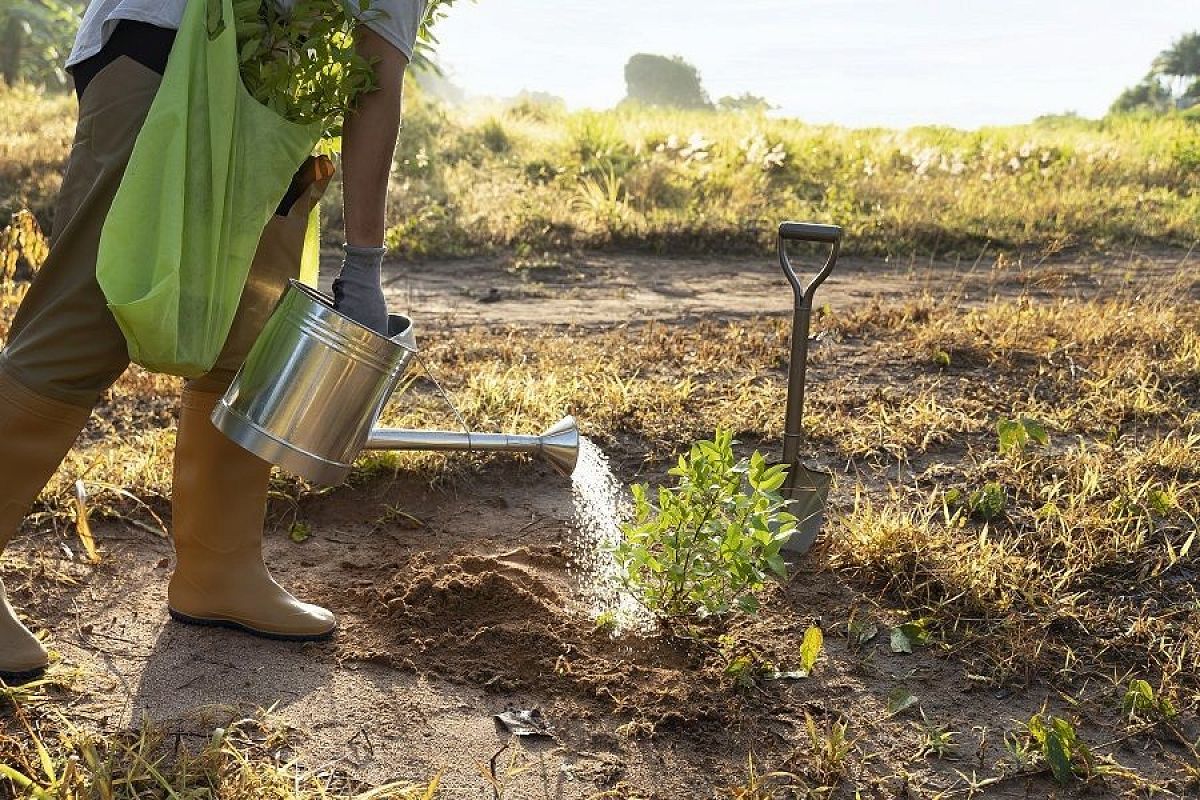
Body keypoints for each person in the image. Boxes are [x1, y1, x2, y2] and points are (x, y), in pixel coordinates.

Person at [0, 0, 427, 681]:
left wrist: (367, 267)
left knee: (244, 331)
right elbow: (376, 72)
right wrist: (367, 262)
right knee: (90, 314)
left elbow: (369, 61)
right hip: (163, 59)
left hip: (275, 100)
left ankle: (220, 569)